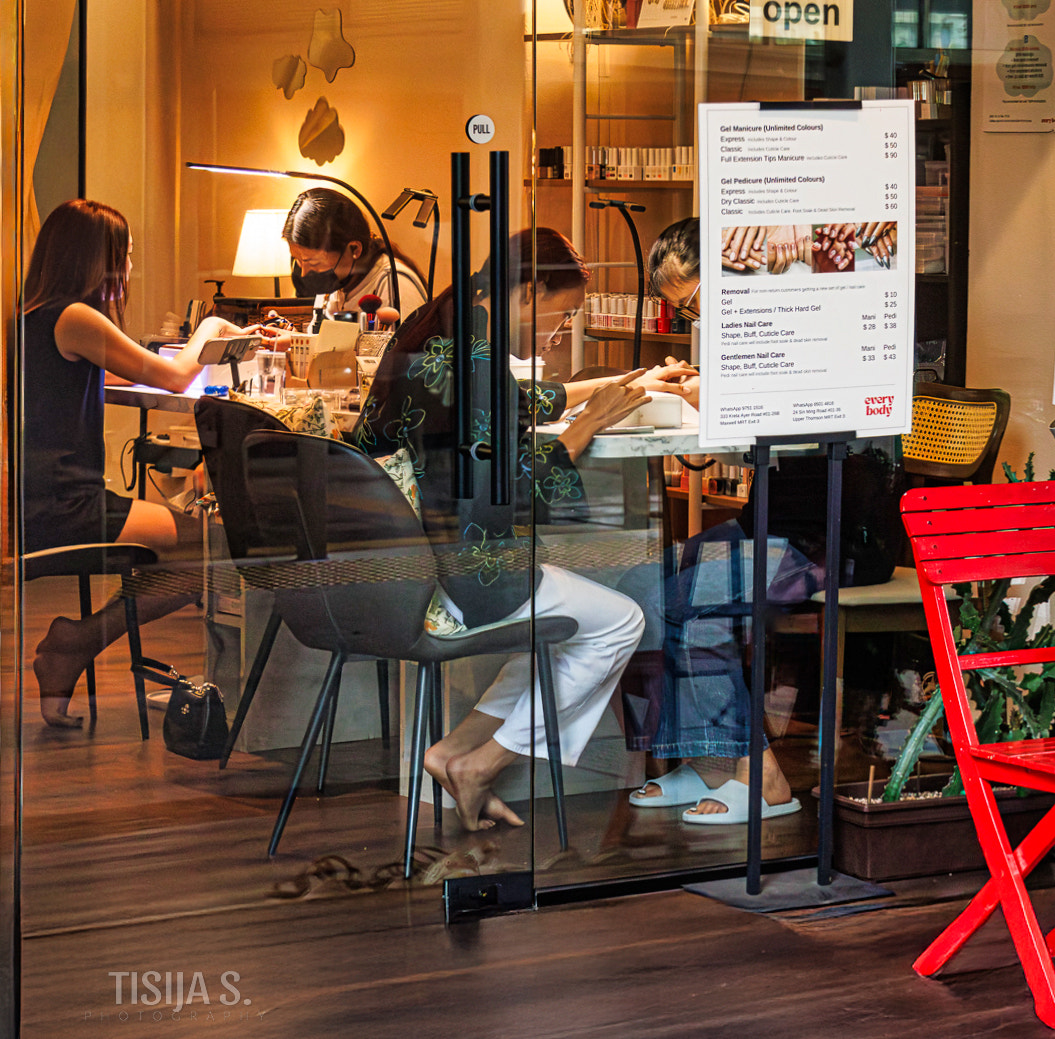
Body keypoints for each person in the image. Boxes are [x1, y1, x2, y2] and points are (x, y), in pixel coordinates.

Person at [353, 227, 689, 831]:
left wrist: (619, 388)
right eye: (562, 317)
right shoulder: (480, 361)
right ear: (530, 291)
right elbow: (511, 493)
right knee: (621, 621)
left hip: (399, 562)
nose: (559, 334)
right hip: (462, 571)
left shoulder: (443, 326)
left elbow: (508, 404)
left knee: (567, 624)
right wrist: (587, 424)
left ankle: (452, 752)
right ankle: (481, 763)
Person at [21, 199, 283, 727]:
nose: (129, 266)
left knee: (198, 550)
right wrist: (210, 327)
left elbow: (122, 371)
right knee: (211, 552)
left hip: (44, 496)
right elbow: (173, 380)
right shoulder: (76, 317)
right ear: (96, 259)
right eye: (125, 254)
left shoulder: (35, 316)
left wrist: (170, 355)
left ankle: (75, 644)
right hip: (65, 503)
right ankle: (76, 642)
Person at [633, 216, 804, 822]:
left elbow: (784, 407)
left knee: (698, 592)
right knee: (647, 585)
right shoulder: (753, 328)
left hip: (824, 531)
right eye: (686, 310)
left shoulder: (801, 311)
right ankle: (707, 763)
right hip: (771, 524)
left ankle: (763, 776)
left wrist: (712, 396)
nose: (697, 318)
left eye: (695, 301)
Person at [282, 187, 428, 330]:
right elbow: (321, 342)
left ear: (354, 249)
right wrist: (292, 339)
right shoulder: (335, 284)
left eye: (314, 263)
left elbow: (407, 345)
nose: (304, 273)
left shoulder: (395, 283)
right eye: (298, 261)